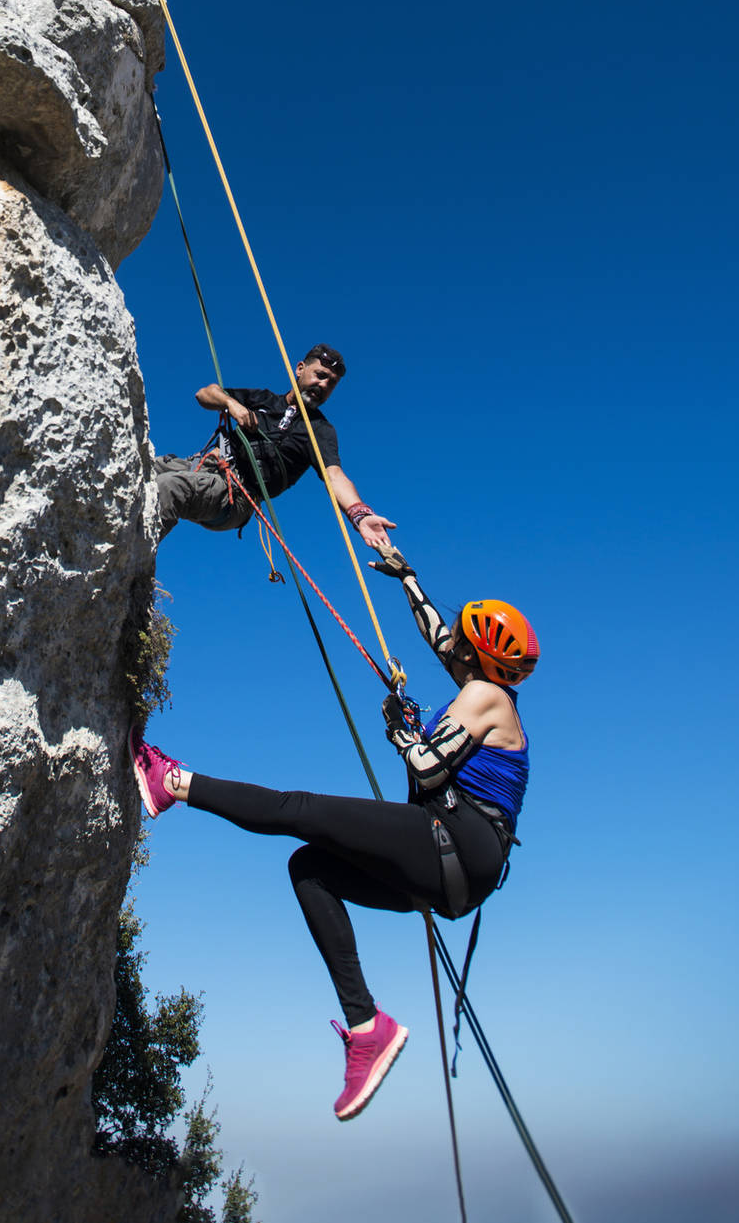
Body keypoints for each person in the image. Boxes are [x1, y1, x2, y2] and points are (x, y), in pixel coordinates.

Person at [128, 545, 538, 1121]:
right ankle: (366, 1024)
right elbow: (436, 636)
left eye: (464, 642)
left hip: (458, 842)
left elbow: (426, 770)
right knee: (310, 868)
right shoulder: (490, 690)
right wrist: (407, 579)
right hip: (460, 877)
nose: (453, 646)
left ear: (479, 656)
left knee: (301, 809)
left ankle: (173, 781)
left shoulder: (484, 697)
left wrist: (402, 732)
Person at [149, 343, 395, 549]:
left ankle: (127, 569)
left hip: (237, 494)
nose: (323, 385)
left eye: (331, 383)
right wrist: (231, 404)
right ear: (300, 369)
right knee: (145, 467)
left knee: (169, 488)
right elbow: (204, 394)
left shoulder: (319, 430)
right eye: (320, 375)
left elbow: (334, 476)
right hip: (206, 467)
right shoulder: (263, 399)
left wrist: (359, 514)